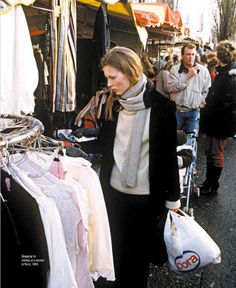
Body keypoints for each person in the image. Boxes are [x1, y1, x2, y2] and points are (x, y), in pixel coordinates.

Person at [95, 46, 181, 288]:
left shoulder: (162, 108)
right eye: (107, 78)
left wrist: (173, 199)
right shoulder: (112, 103)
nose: (109, 84)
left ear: (130, 71)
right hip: (113, 195)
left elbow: (168, 157)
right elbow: (105, 144)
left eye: (113, 77)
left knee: (138, 262)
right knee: (114, 256)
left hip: (145, 200)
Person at [199, 40, 236, 195]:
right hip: (213, 119)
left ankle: (213, 184)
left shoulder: (231, 73)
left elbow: (228, 101)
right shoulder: (222, 70)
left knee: (216, 151)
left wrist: (209, 107)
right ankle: (208, 181)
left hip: (221, 121)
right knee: (209, 150)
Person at [168, 43, 211, 135]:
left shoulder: (203, 71)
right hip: (178, 110)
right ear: (182, 55)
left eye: (193, 54)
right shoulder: (175, 70)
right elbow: (173, 88)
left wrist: (202, 101)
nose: (191, 57)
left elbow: (207, 89)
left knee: (191, 139)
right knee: (174, 138)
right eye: (188, 54)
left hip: (194, 111)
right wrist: (187, 76)